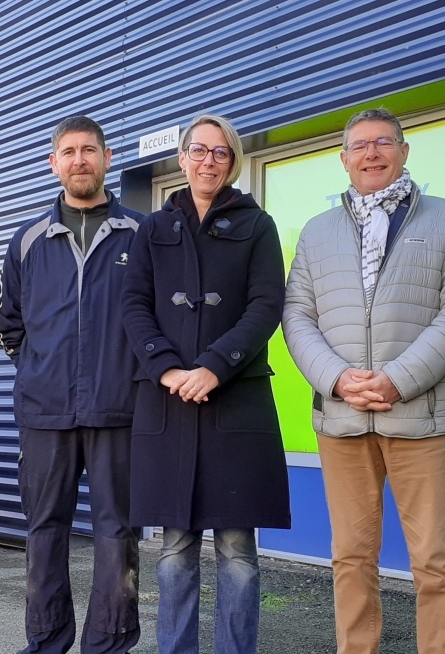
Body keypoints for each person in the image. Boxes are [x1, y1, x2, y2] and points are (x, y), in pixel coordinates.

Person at [282, 107, 445, 654]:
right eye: (360, 145)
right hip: (342, 419)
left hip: (421, 418)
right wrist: (336, 379)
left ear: (404, 151)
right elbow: (297, 315)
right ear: (344, 159)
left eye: (383, 142)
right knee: (350, 557)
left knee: (434, 562)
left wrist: (398, 379)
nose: (371, 153)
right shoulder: (316, 232)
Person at [121, 114, 291, 654]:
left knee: (238, 550)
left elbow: (266, 305)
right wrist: (167, 368)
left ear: (232, 161)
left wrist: (216, 365)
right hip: (168, 400)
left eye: (220, 152)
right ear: (182, 158)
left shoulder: (257, 225)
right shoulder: (153, 229)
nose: (208, 161)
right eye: (199, 150)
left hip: (235, 400)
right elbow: (134, 305)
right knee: (174, 549)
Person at [0, 115, 144, 654]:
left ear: (107, 158)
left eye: (89, 150)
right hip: (45, 410)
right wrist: (40, 369)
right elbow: (9, 323)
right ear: (53, 162)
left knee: (117, 533)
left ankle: (109, 643)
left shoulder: (140, 234)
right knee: (44, 531)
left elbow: (154, 322)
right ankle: (46, 641)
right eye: (69, 151)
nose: (79, 160)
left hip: (119, 409)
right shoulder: (28, 239)